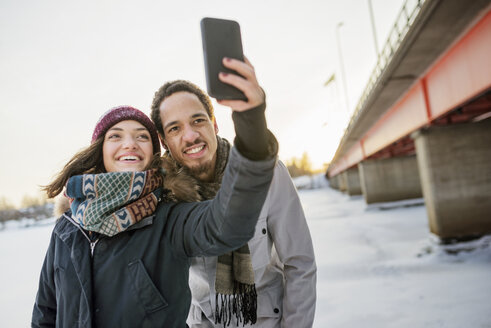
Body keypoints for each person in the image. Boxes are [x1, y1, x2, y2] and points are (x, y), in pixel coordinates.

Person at [31, 59, 277, 327]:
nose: (130, 144)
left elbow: (227, 224)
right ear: (100, 150)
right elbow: (46, 313)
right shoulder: (66, 229)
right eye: (115, 136)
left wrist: (251, 124)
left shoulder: (169, 220)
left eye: (141, 136)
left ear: (153, 154)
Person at [150, 57, 317, 327]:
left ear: (214, 124)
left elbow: (300, 264)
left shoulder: (266, 174)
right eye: (175, 128)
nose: (190, 136)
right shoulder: (164, 198)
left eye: (198, 120)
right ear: (164, 140)